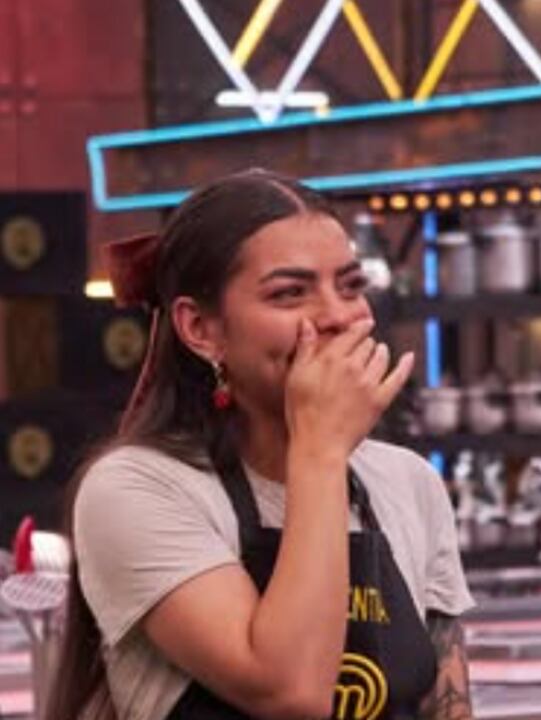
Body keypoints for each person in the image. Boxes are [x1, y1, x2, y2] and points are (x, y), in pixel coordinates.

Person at [47, 170, 475, 720]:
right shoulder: (136, 489)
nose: (337, 316)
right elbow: (291, 691)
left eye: (350, 286)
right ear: (201, 329)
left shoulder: (408, 482)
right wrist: (320, 451)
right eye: (290, 293)